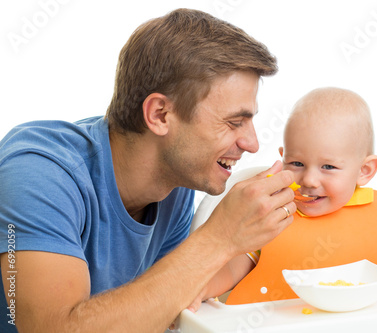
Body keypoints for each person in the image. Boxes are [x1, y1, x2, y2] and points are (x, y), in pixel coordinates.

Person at [0, 9, 298, 332]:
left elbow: (163, 314)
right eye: (233, 122)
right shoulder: (39, 172)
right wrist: (220, 237)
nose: (252, 143)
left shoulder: (175, 185)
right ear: (159, 114)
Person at [189, 87, 377, 308]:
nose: (309, 180)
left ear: (364, 170)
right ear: (282, 157)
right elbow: (230, 270)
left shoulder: (376, 217)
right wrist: (198, 289)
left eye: (328, 166)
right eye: (297, 163)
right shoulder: (268, 215)